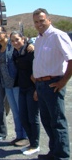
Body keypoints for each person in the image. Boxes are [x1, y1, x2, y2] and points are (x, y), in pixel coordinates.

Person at [32, 8, 72, 160]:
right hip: (41, 85)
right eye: (36, 22)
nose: (39, 24)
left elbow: (71, 59)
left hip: (53, 83)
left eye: (41, 20)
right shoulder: (39, 38)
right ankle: (54, 152)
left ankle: (62, 156)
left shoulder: (57, 35)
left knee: (57, 121)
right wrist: (37, 87)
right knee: (47, 121)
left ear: (49, 20)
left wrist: (63, 81)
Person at [0, 26, 28, 146]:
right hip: (6, 84)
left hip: (16, 82)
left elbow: (24, 45)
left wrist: (30, 44)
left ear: (4, 33)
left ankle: (26, 136)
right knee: (15, 111)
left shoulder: (12, 45)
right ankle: (19, 135)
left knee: (21, 110)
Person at [10, 31, 40, 156]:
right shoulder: (16, 53)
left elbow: (37, 71)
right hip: (21, 88)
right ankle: (31, 141)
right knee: (23, 117)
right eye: (12, 41)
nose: (15, 42)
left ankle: (35, 144)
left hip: (32, 88)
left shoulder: (30, 51)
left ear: (23, 39)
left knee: (33, 118)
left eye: (17, 39)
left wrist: (37, 89)